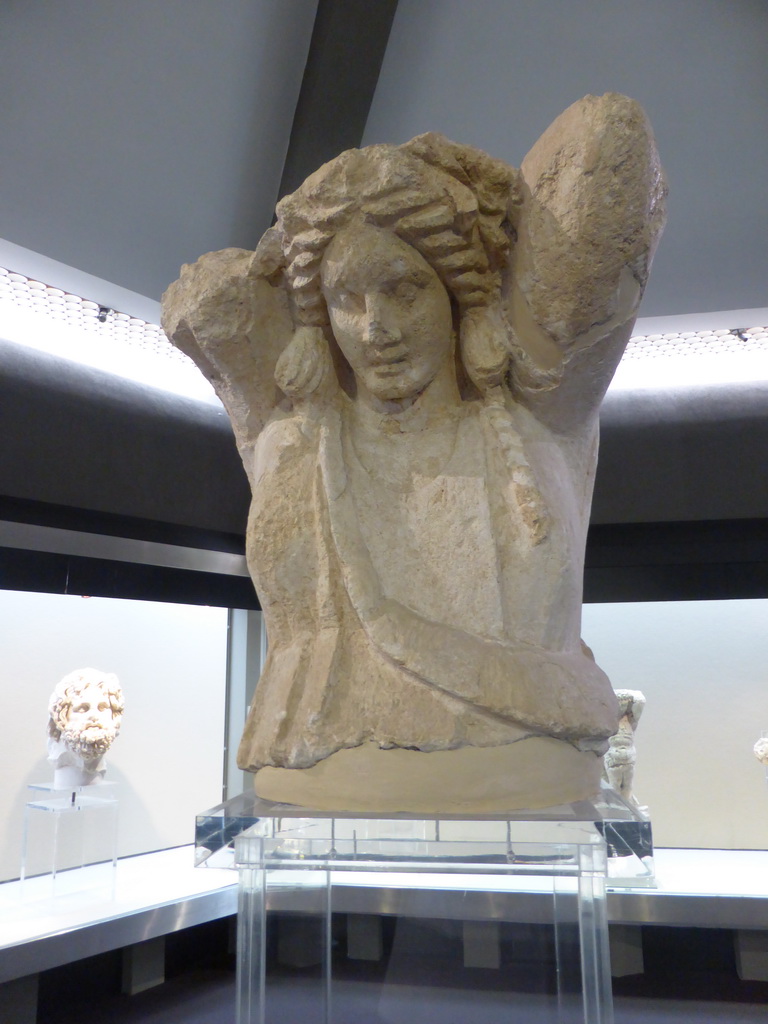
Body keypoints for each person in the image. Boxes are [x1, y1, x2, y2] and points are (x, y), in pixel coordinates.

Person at [162, 93, 666, 810]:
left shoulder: (537, 423)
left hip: (523, 791)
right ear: (319, 316)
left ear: (456, 295)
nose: (376, 330)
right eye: (346, 300)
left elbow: (608, 136)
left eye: (404, 290)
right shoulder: (294, 446)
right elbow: (208, 298)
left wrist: (468, 183)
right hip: (316, 807)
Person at [47, 668, 124, 786]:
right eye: (83, 708)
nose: (94, 716)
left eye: (102, 708)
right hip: (66, 780)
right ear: (62, 716)